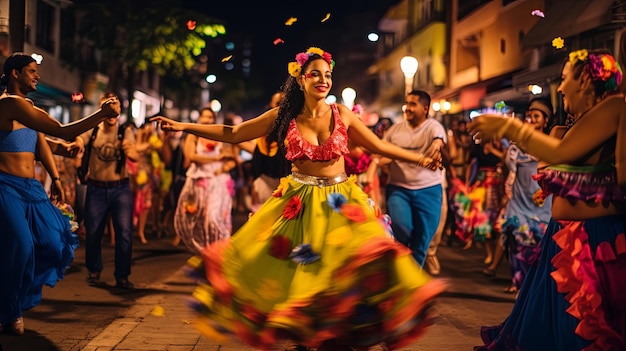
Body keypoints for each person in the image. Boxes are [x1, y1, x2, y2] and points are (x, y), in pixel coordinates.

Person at [153, 47, 446, 351]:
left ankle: (342, 331)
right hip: (300, 202)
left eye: (328, 75)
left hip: (340, 201)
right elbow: (234, 132)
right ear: (301, 79)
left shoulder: (341, 114)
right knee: (301, 272)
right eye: (316, 74)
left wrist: (420, 159)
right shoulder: (285, 116)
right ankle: (307, 334)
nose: (323, 80)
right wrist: (183, 126)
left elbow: (377, 146)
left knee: (357, 264)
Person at [470, 48, 626, 350]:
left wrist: (508, 126)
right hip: (562, 237)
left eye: (565, 78)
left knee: (578, 332)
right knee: (547, 332)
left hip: (595, 242)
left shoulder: (615, 107)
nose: (561, 86)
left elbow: (559, 154)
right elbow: (550, 154)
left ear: (584, 80)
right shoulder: (580, 122)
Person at [0, 53, 120, 335]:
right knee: (21, 246)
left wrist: (56, 170)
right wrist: (101, 114)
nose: (37, 76)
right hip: (5, 187)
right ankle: (10, 310)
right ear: (15, 73)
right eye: (31, 71)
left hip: (31, 188)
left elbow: (40, 139)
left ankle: (11, 301)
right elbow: (64, 130)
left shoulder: (26, 106)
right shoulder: (8, 104)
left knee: (53, 243)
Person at [483, 98, 554, 294]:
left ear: (545, 121)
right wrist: (507, 193)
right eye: (530, 115)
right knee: (516, 237)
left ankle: (532, 286)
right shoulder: (517, 146)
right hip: (518, 199)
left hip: (541, 202)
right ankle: (518, 281)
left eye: (536, 115)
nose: (531, 118)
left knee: (538, 245)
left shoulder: (551, 144)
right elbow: (510, 171)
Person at [369, 90, 447, 267]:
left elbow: (438, 140)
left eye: (413, 104)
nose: (407, 108)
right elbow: (382, 152)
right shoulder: (394, 131)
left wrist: (436, 146)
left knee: (422, 239)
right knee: (402, 230)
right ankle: (400, 274)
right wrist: (378, 163)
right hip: (399, 189)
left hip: (429, 190)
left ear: (425, 109)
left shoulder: (433, 127)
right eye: (407, 103)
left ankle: (412, 280)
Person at [75, 92, 138, 289]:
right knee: (93, 232)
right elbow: (79, 140)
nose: (111, 111)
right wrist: (77, 147)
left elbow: (134, 154)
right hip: (96, 188)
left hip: (121, 188)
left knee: (124, 233)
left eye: (115, 107)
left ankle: (122, 276)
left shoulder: (125, 130)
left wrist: (130, 151)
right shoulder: (93, 131)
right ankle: (94, 269)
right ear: (100, 110)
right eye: (107, 107)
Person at [173, 107, 238, 254]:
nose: (208, 120)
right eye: (205, 117)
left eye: (210, 117)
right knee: (196, 217)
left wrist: (224, 167)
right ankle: (205, 250)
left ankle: (219, 249)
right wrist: (215, 158)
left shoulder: (219, 135)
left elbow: (232, 157)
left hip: (217, 181)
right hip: (198, 180)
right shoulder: (193, 136)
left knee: (213, 217)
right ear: (200, 118)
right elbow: (191, 156)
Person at [238, 91, 292, 212]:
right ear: (271, 105)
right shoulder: (264, 129)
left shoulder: (294, 125)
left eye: (284, 102)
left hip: (288, 184)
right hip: (264, 182)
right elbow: (239, 136)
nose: (281, 106)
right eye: (278, 103)